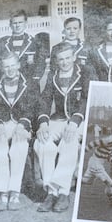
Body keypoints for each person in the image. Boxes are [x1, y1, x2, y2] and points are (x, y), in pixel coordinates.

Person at [34, 43, 90, 213]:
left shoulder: (85, 72)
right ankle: (52, 192)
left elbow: (87, 99)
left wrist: (74, 122)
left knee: (69, 142)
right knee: (41, 143)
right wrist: (43, 122)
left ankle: (63, 193)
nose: (65, 62)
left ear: (74, 57)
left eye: (68, 58)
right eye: (61, 59)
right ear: (56, 61)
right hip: (58, 119)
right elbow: (44, 100)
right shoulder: (53, 75)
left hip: (79, 120)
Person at [0, 52, 38, 211]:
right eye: (6, 67)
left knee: (20, 143)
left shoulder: (30, 83)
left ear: (18, 65)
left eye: (12, 66)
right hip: (3, 124)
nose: (10, 70)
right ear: (2, 68)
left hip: (21, 124)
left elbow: (31, 109)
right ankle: (2, 193)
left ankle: (14, 192)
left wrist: (22, 124)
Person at [81, 123, 112, 206]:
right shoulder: (110, 139)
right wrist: (82, 152)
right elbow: (94, 143)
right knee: (110, 183)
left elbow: (108, 155)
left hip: (95, 162)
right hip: (96, 164)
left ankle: (73, 182)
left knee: (86, 181)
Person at [0, 10, 47, 84]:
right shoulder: (3, 44)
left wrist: (35, 80)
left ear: (26, 23)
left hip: (30, 83)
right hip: (9, 83)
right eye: (15, 23)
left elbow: (41, 64)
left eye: (20, 22)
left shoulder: (35, 43)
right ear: (10, 25)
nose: (17, 25)